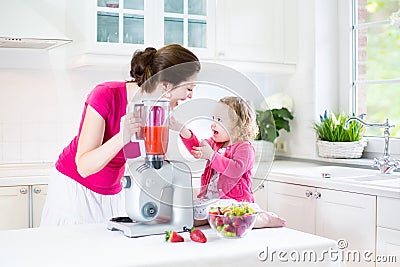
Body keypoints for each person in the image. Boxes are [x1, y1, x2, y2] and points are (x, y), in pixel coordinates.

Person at [40, 44, 200, 226]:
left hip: (113, 192)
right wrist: (122, 136)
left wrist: (189, 193)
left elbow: (160, 160)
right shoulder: (106, 94)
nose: (190, 96)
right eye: (188, 88)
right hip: (75, 189)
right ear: (165, 85)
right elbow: (83, 166)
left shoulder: (157, 111)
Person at [170, 96, 286, 228]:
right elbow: (198, 148)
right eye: (213, 118)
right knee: (186, 216)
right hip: (210, 201)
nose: (213, 123)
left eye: (219, 120)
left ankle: (264, 219)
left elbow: (235, 170)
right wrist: (183, 130)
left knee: (234, 221)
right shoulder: (215, 143)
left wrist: (212, 156)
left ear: (237, 126)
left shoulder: (245, 148)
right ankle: (213, 219)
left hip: (234, 202)